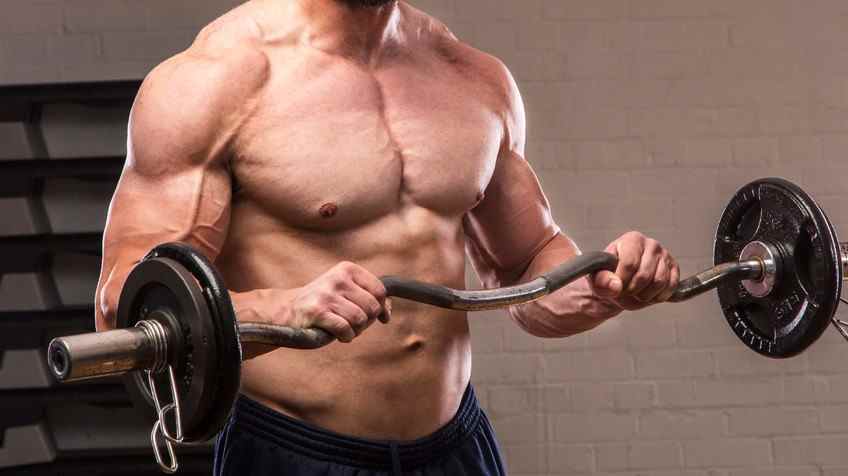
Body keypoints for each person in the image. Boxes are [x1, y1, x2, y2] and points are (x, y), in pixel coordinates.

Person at [94, 0, 680, 474]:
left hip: (456, 447)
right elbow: (128, 303)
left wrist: (604, 284)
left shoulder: (472, 78)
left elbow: (527, 267)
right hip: (294, 453)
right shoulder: (218, 81)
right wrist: (283, 307)